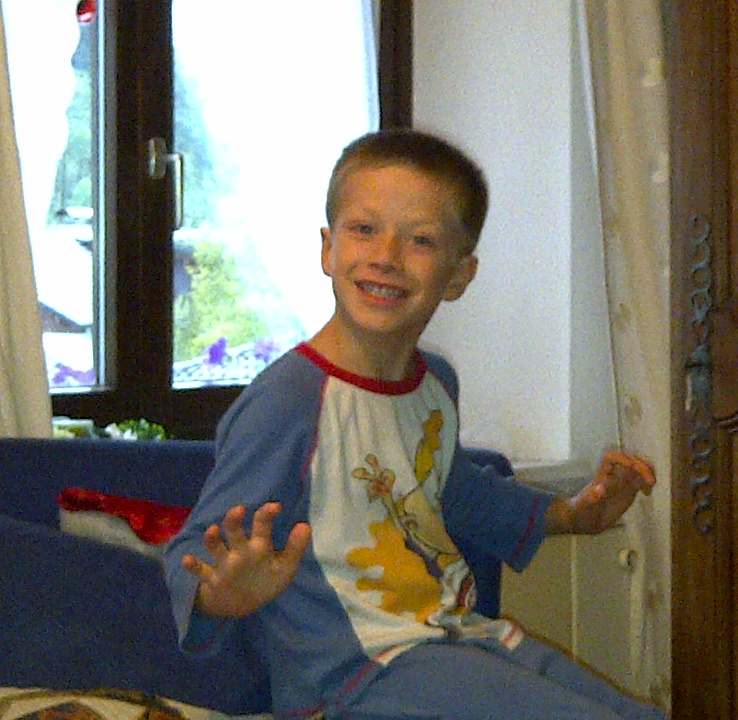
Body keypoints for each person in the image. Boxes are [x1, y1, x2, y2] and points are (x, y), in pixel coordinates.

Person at [164, 128, 668, 720]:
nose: (386, 255)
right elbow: (197, 545)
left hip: (456, 639)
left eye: (421, 239)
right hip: (353, 679)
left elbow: (454, 491)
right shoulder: (289, 401)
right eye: (364, 229)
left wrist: (572, 514)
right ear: (328, 249)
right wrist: (219, 592)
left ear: (459, 275)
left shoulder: (435, 385)